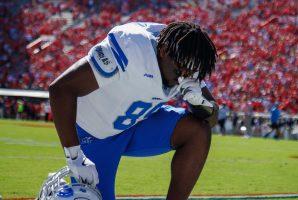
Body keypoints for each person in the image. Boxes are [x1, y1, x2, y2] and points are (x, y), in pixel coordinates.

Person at [49, 22, 219, 200]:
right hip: (94, 134)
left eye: (190, 72)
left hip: (136, 123)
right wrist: (74, 156)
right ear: (163, 51)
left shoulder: (186, 61)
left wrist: (200, 104)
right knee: (87, 197)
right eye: (178, 71)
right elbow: (61, 89)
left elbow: (212, 117)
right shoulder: (133, 47)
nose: (182, 77)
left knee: (198, 131)